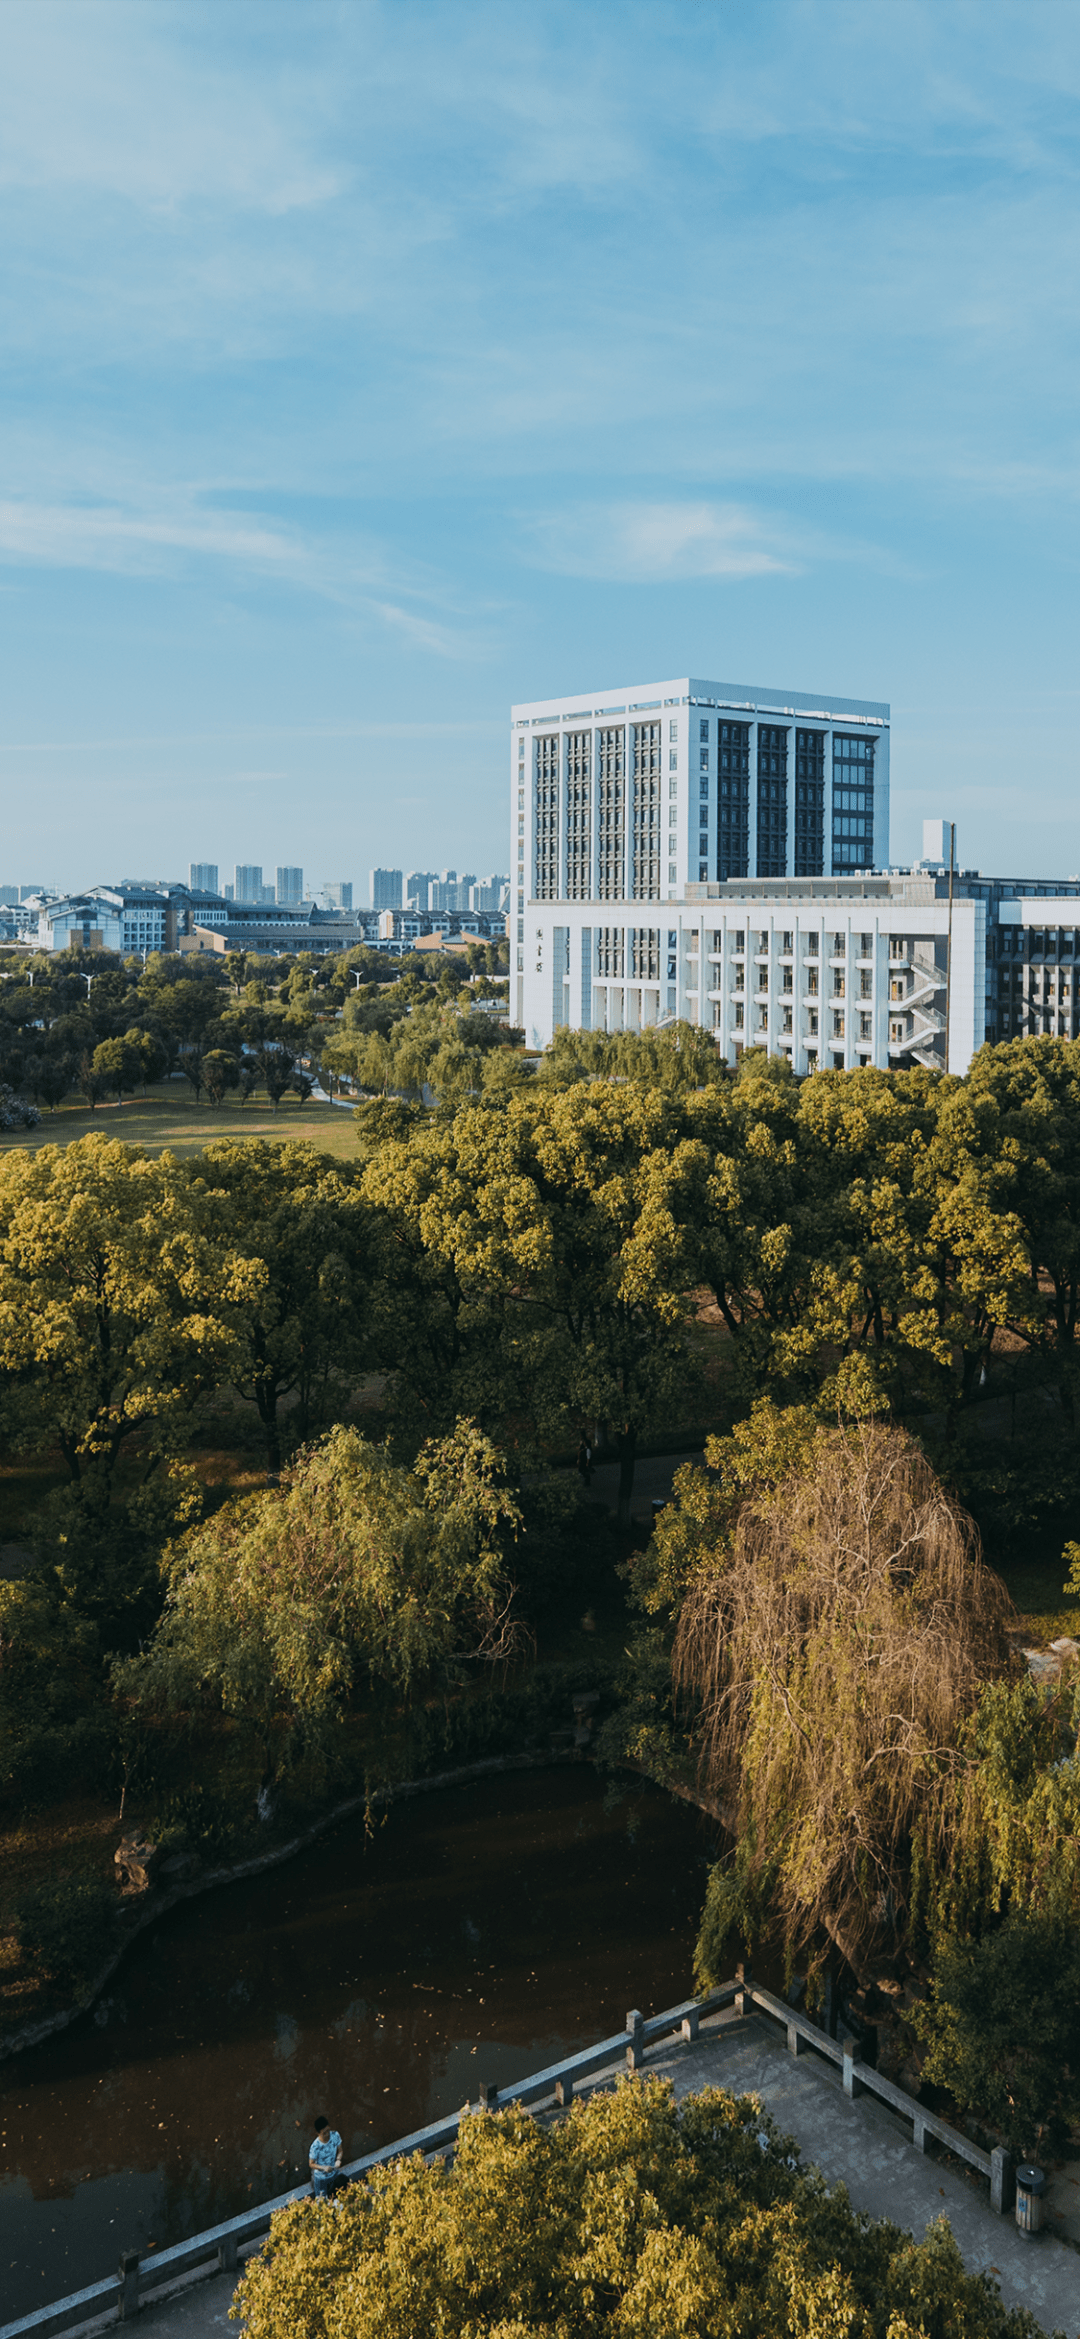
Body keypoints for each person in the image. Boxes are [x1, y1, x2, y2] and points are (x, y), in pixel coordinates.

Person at [308, 2114, 343, 2196]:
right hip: (321, 2177)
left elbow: (340, 2151)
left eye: (328, 2131)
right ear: (318, 2133)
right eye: (324, 2133)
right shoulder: (315, 2146)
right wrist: (324, 2168)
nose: (327, 2135)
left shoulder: (335, 2135)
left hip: (334, 2172)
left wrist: (338, 2160)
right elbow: (311, 2164)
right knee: (321, 2200)